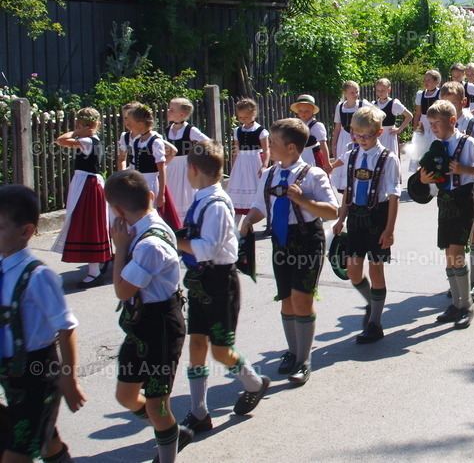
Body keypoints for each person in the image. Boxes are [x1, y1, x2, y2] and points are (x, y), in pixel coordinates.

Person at [176, 140, 270, 434]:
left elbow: (207, 248)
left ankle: (254, 382)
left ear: (192, 169)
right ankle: (199, 411)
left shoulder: (216, 204)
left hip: (219, 282)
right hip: (201, 283)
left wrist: (174, 240)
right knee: (196, 343)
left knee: (220, 351)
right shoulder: (202, 197)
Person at [239, 119, 339, 385]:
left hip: (307, 239)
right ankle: (293, 350)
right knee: (285, 298)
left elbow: (332, 211)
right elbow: (261, 205)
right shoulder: (270, 174)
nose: (269, 146)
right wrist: (249, 220)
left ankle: (304, 359)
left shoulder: (314, 174)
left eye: (273, 143)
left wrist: (303, 200)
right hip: (281, 241)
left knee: (302, 299)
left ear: (291, 147)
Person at [107, 169, 190, 463]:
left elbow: (122, 291)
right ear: (151, 196)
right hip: (140, 325)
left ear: (117, 211)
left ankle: (167, 447)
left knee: (158, 406)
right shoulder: (142, 230)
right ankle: (171, 431)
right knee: (126, 396)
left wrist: (120, 249)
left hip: (161, 325)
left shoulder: (148, 244)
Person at [0, 185, 84, 463]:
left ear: (25, 232)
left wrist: (68, 379)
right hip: (10, 376)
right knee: (46, 441)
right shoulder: (3, 268)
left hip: (38, 376)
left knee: (18, 451)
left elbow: (66, 327)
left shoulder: (38, 276)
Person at [421, 100, 474, 328]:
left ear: (452, 121)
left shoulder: (468, 143)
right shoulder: (435, 144)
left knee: (457, 250)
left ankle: (466, 305)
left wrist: (465, 169)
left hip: (463, 197)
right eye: (430, 123)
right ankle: (455, 303)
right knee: (448, 252)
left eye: (437, 123)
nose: (433, 127)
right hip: (445, 200)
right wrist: (423, 179)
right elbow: (425, 171)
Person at [334, 107, 400, 344]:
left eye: (367, 136)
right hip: (355, 217)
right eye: (357, 135)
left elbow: (394, 196)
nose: (361, 140)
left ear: (379, 132)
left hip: (378, 217)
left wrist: (389, 230)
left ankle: (375, 323)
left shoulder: (388, 158)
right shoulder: (351, 154)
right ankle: (371, 302)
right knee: (352, 270)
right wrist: (341, 218)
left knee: (376, 268)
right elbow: (347, 190)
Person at [439, 82, 474, 297]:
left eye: (452, 103)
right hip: (449, 188)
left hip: (473, 184)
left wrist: (466, 168)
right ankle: (458, 283)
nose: (448, 107)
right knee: (452, 238)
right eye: (444, 103)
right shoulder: (439, 125)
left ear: (463, 102)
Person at [53, 107, 113, 288]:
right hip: (86, 183)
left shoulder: (86, 140)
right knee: (88, 223)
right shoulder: (91, 140)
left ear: (79, 124)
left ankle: (94, 271)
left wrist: (78, 131)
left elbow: (60, 140)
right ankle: (95, 268)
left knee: (87, 223)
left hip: (87, 185)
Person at [127, 104, 182, 231]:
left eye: (131, 122)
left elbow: (161, 168)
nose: (129, 125)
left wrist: (161, 194)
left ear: (140, 124)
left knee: (151, 213)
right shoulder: (137, 142)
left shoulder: (155, 141)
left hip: (151, 182)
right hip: (139, 182)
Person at [165, 98, 210, 225]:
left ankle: (188, 222)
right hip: (170, 166)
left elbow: (207, 142)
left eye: (172, 110)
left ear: (182, 114)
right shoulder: (167, 130)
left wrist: (198, 156)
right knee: (172, 193)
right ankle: (174, 221)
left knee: (185, 193)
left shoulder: (190, 130)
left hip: (185, 167)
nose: (168, 111)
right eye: (169, 109)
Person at [226, 98, 270, 228]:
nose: (243, 119)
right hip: (241, 163)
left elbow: (266, 150)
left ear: (253, 113)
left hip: (255, 161)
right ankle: (233, 227)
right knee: (237, 193)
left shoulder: (261, 131)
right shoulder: (237, 131)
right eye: (240, 117)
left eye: (246, 117)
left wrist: (264, 166)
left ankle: (269, 223)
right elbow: (236, 150)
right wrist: (234, 167)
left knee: (259, 192)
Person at [331, 81, 371, 182]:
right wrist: (333, 145)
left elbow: (379, 114)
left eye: (357, 92)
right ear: (345, 93)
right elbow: (337, 128)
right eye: (352, 92)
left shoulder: (363, 104)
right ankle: (345, 188)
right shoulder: (340, 106)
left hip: (359, 137)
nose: (355, 95)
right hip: (344, 138)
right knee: (344, 161)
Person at [371, 78, 412, 161]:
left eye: (383, 90)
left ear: (388, 90)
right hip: (378, 135)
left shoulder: (393, 103)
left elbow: (409, 116)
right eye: (378, 90)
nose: (380, 93)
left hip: (389, 135)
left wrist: (399, 129)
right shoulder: (374, 104)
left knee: (389, 159)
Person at [289, 95, 331, 176]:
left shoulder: (316, 126)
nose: (303, 113)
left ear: (312, 111)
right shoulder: (296, 124)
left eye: (307, 111)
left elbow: (323, 144)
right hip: (300, 156)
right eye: (301, 111)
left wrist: (327, 163)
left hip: (312, 156)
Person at [117, 101, 143, 171]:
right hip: (133, 173)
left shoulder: (149, 136)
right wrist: (123, 175)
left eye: (131, 118)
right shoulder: (125, 136)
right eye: (125, 118)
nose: (128, 121)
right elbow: (121, 159)